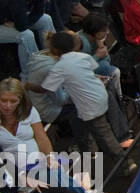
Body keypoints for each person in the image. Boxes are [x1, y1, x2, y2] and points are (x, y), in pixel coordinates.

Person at [0, 77, 96, 193]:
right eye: (3, 101)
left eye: (12, 101)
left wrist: (50, 157)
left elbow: (41, 138)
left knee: (56, 172)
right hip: (17, 172)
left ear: (21, 100)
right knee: (58, 178)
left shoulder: (29, 112)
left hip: (39, 161)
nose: (7, 105)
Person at [33, 31, 134, 170]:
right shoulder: (83, 57)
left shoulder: (58, 68)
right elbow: (90, 71)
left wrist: (28, 86)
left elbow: (46, 88)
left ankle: (125, 162)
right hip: (99, 95)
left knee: (103, 133)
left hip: (89, 104)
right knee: (80, 126)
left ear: (54, 50)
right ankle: (89, 153)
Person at [0, 0, 56, 73]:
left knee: (45, 19)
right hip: (2, 23)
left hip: (12, 20)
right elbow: (21, 27)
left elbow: (39, 12)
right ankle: (33, 71)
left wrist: (23, 21)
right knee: (26, 35)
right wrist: (21, 22)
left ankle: (53, 54)